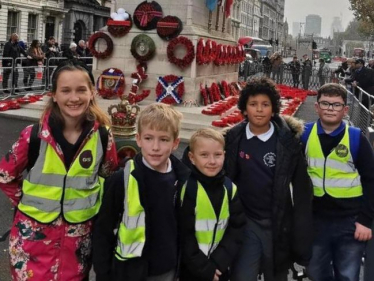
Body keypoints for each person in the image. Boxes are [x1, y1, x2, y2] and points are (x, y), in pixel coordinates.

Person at [0, 59, 118, 280]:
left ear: (92, 92)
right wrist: (27, 204)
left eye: (81, 90)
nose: (74, 98)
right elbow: (5, 176)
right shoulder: (33, 136)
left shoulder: (103, 136)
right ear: (54, 95)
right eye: (66, 91)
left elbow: (109, 178)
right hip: (32, 244)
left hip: (78, 244)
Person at [225, 77, 314, 281]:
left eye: (265, 105)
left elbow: (302, 189)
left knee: (276, 274)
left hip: (278, 222)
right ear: (244, 108)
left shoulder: (287, 142)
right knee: (243, 275)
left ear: (273, 109)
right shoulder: (233, 138)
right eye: (253, 104)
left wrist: (301, 235)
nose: (259, 110)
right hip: (247, 221)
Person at [92, 103, 190, 281]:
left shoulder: (184, 179)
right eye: (148, 138)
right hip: (129, 271)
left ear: (175, 143)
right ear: (138, 139)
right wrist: (103, 273)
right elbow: (103, 230)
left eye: (164, 139)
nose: (155, 147)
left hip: (166, 269)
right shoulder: (121, 180)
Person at [301, 83, 374, 281]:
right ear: (316, 107)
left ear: (345, 109)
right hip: (316, 220)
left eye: (336, 105)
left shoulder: (357, 139)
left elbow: (371, 181)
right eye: (325, 103)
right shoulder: (304, 135)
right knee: (315, 271)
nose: (330, 109)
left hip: (349, 222)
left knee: (348, 275)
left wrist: (365, 222)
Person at [179, 128, 245, 281]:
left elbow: (237, 228)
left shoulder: (230, 189)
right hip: (191, 270)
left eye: (217, 155)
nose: (212, 161)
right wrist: (203, 267)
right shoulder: (188, 189)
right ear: (192, 157)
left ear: (224, 155)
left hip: (219, 268)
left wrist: (218, 262)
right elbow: (184, 234)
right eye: (204, 155)